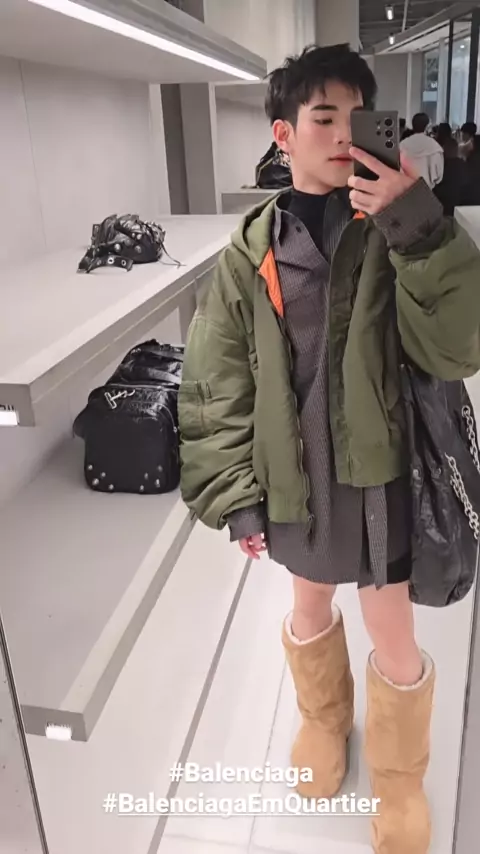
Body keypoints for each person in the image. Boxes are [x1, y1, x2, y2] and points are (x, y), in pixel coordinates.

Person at [177, 44, 480, 854]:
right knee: (308, 604)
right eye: (323, 118)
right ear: (283, 134)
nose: (345, 134)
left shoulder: (399, 226)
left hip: (383, 476)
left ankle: (400, 782)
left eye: (359, 117)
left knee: (393, 631)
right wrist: (234, 494)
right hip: (296, 476)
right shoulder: (251, 251)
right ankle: (322, 721)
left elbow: (458, 347)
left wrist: (420, 228)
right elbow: (214, 380)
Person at [400, 111, 444, 187]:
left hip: (406, 189)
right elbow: (439, 176)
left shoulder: (402, 145)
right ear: (427, 127)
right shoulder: (435, 147)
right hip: (427, 189)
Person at [433, 136, 470, 214]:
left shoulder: (441, 165)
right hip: (460, 207)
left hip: (442, 207)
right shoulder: (464, 166)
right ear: (456, 150)